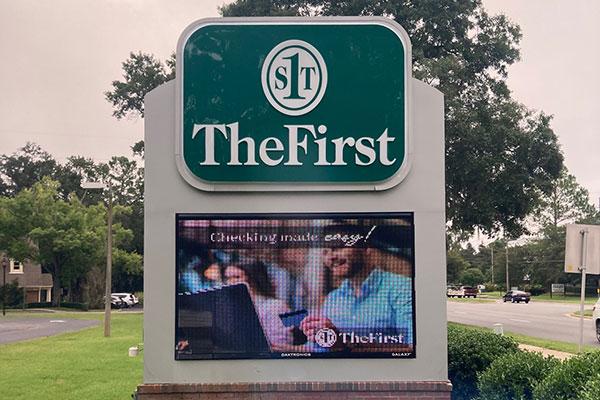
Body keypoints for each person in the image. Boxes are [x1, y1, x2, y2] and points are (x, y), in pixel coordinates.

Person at [300, 224, 413, 352]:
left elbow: (411, 348)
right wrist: (276, 350)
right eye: (325, 252)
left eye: (338, 247)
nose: (330, 257)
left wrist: (344, 342)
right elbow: (316, 350)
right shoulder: (333, 299)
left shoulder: (401, 288)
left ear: (366, 248)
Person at [224, 260, 293, 350]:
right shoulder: (228, 308)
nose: (230, 283)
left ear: (252, 279)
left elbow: (280, 345)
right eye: (227, 278)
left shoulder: (275, 306)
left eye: (236, 277)